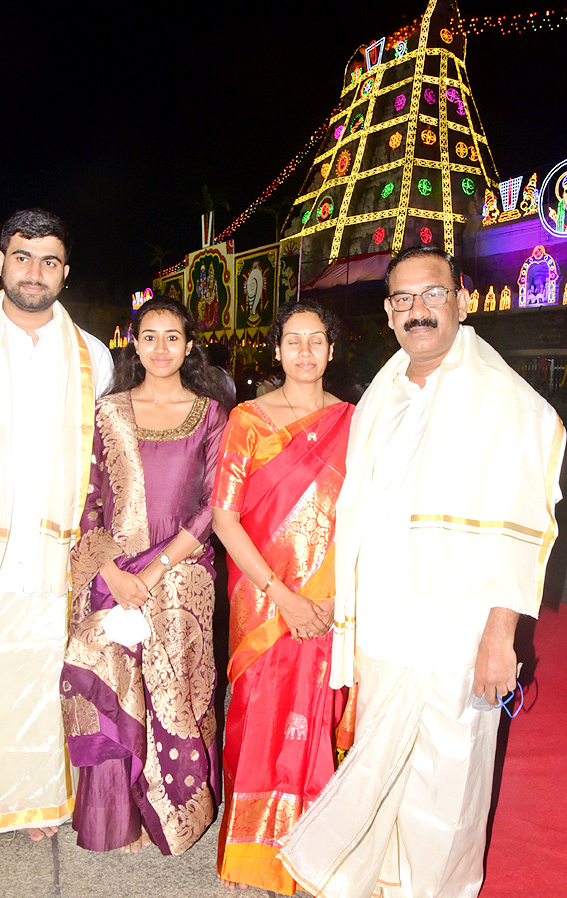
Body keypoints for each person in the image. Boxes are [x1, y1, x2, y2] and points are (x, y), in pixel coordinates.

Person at [280, 246, 566, 898]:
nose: (419, 312)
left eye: (431, 295)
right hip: (385, 620)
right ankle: (385, 881)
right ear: (387, 313)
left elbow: (519, 527)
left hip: (456, 628)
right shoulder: (386, 389)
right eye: (404, 300)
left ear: (461, 301)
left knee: (449, 771)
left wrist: (501, 635)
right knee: (388, 759)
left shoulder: (502, 402)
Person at [0, 208, 113, 871]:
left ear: (65, 271)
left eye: (49, 260)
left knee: (33, 671)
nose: (35, 271)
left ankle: (32, 798)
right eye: (23, 257)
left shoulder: (93, 357)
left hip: (49, 546)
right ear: (0, 261)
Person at [60, 297, 228, 855]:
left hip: (179, 573)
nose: (161, 348)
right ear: (134, 342)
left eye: (172, 337)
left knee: (173, 690)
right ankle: (118, 816)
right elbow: (89, 502)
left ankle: (170, 815)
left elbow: (212, 505)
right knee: (118, 690)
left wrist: (155, 571)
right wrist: (112, 570)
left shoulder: (209, 413)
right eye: (150, 336)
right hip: (113, 571)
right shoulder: (108, 411)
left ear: (188, 345)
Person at [212, 300, 355, 894]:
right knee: (260, 716)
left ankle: (315, 849)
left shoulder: (355, 420)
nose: (303, 351)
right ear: (276, 350)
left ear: (331, 348)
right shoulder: (247, 420)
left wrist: (333, 598)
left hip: (330, 603)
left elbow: (363, 514)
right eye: (292, 341)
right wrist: (283, 597)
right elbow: (224, 519)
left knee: (319, 718)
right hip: (265, 603)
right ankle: (253, 852)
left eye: (315, 340)